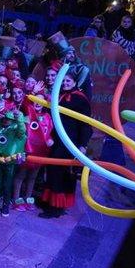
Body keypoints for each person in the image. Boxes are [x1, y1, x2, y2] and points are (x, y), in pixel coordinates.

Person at [41, 71, 91, 218]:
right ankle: (51, 203)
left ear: (75, 82)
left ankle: (56, 208)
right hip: (56, 140)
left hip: (70, 142)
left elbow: (85, 124)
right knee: (52, 171)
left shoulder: (81, 99)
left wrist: (83, 145)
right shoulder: (58, 95)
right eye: (63, 81)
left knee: (61, 173)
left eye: (68, 81)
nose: (65, 83)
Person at [12, 92, 53, 212]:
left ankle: (28, 199)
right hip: (27, 150)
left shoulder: (47, 116)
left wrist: (50, 140)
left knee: (32, 177)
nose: (38, 103)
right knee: (21, 176)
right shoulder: (27, 114)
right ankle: (16, 200)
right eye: (35, 100)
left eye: (41, 101)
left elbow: (49, 133)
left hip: (41, 152)